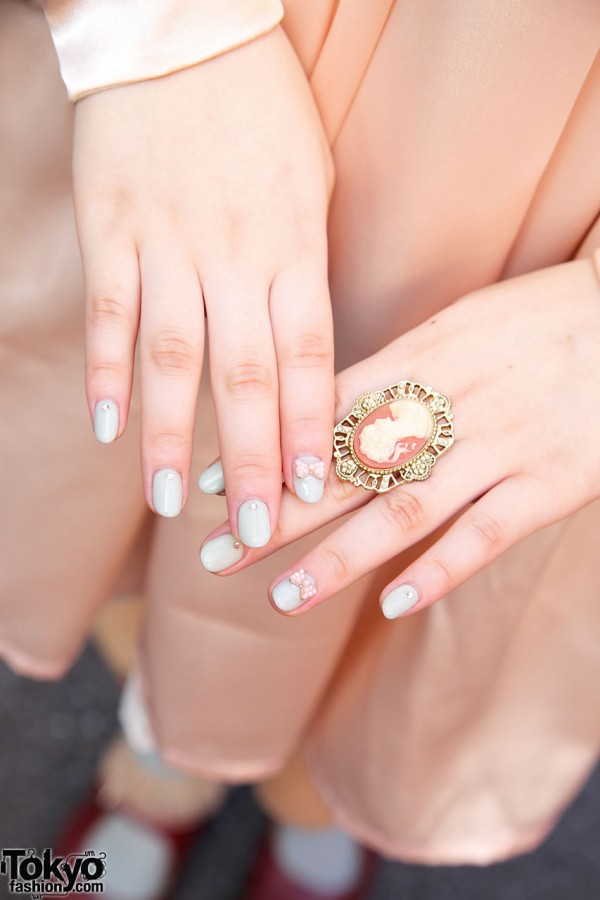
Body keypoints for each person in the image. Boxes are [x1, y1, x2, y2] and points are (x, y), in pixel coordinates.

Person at [2, 0, 600, 896]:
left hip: (561, 281)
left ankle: (308, 795)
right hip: (233, 69)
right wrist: (159, 34)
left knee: (421, 580)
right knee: (156, 450)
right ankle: (166, 741)